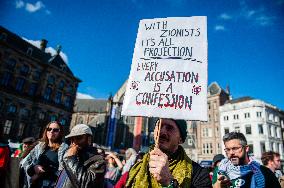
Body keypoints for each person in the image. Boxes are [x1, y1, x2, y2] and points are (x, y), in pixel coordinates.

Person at [126, 118, 211, 188]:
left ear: (180, 139)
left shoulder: (198, 174)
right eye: (159, 126)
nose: (162, 132)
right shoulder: (136, 169)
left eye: (169, 128)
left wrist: (168, 182)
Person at [213, 132, 281, 188]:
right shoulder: (219, 171)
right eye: (228, 149)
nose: (231, 153)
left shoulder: (264, 172)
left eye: (235, 148)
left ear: (246, 148)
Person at [57, 124, 106, 188]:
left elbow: (86, 184)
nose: (74, 142)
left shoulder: (98, 160)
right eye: (72, 139)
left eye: (78, 138)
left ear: (89, 139)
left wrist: (70, 159)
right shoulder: (72, 156)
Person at [21, 121, 68, 188]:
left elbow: (65, 173)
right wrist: (34, 167)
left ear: (60, 133)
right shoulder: (39, 147)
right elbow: (25, 164)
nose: (51, 131)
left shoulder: (64, 149)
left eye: (55, 130)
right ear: (46, 131)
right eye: (49, 129)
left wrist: (41, 173)